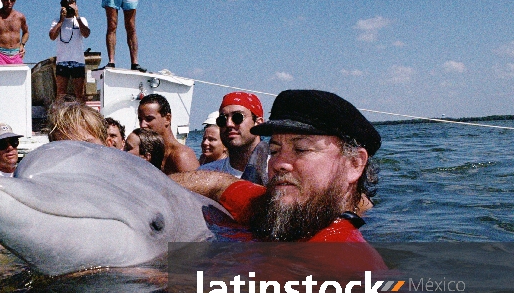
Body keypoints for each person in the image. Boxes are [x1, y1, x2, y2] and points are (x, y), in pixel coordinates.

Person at [171, 89, 382, 245]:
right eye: (274, 150)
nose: (278, 163)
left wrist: (164, 279)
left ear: (354, 164)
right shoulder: (270, 207)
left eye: (301, 149)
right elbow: (218, 183)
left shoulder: (349, 264)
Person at [199, 92, 269, 185]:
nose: (228, 124)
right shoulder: (206, 175)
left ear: (258, 123)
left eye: (237, 117)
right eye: (222, 119)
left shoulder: (277, 171)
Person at [137, 93, 199, 175]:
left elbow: (197, 186)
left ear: (167, 119)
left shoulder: (182, 156)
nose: (142, 125)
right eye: (140, 119)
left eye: (149, 119)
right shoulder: (150, 154)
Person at [49, 0, 91, 102]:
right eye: (67, 4)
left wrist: (78, 17)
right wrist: (61, 20)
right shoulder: (57, 20)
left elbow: (86, 34)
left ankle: (82, 116)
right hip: (62, 61)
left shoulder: (82, 20)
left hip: (78, 61)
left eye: (72, 3)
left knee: (80, 94)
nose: (70, 7)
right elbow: (52, 36)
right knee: (60, 94)